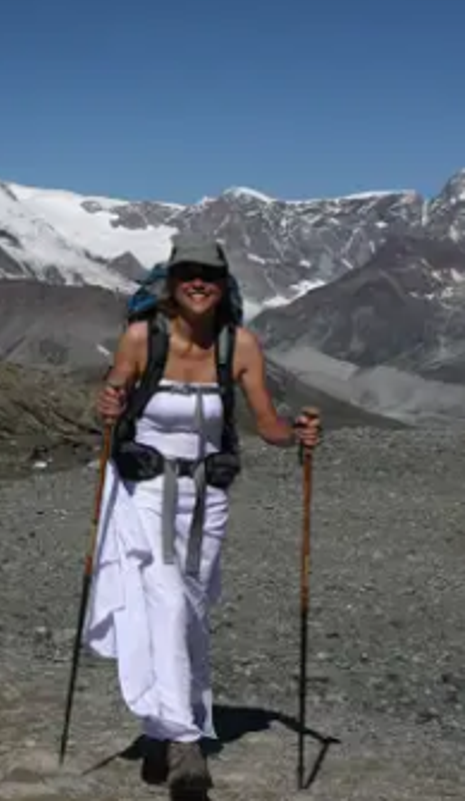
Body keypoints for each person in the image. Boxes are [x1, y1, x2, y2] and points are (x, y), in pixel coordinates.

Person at [85, 233, 322, 796]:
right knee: (166, 600)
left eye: (209, 274)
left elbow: (265, 424)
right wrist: (108, 406)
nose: (199, 282)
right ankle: (186, 745)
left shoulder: (239, 347)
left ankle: (156, 731)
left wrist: (298, 435)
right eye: (188, 272)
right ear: (171, 281)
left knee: (191, 609)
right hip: (145, 491)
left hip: (207, 496)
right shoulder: (141, 339)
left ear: (223, 284)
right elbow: (111, 401)